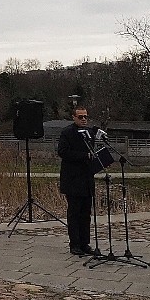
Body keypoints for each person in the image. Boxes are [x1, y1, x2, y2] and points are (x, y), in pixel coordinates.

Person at [58, 106, 97, 256]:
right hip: (73, 180)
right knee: (74, 214)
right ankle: (74, 244)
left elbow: (91, 152)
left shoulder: (89, 133)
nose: (84, 119)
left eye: (85, 116)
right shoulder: (67, 132)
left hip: (87, 179)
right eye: (80, 117)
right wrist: (84, 156)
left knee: (86, 214)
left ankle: (85, 243)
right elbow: (63, 152)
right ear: (74, 117)